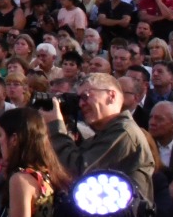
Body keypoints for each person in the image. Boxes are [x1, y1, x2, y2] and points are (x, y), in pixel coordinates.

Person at [44, 73, 157, 206]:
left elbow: (76, 171)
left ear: (111, 96)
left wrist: (55, 127)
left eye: (85, 96)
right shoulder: (102, 135)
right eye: (78, 99)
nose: (81, 104)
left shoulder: (123, 132)